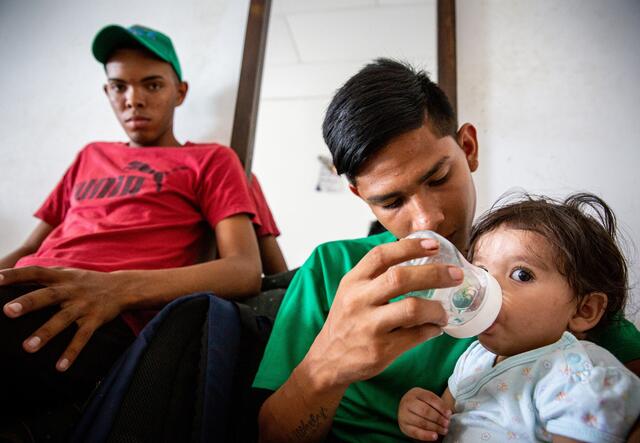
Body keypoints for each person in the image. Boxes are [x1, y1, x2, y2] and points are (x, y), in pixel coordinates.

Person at [252, 58, 640, 443]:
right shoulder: (330, 270)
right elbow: (270, 435)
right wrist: (327, 366)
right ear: (361, 197)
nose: (426, 220)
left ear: (468, 147)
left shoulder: (545, 261)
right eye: (391, 202)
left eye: (438, 178)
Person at [0, 24, 282, 440]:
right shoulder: (90, 155)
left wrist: (115, 289)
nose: (134, 99)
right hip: (30, 284)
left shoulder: (212, 160)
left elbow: (245, 270)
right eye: (119, 87)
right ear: (107, 93)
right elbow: (29, 246)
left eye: (152, 85)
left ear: (179, 92)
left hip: (100, 311)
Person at [397, 193, 640, 442]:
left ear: (583, 310)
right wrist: (422, 414)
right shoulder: (475, 357)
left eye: (521, 275)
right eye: (481, 270)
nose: (485, 286)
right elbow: (441, 422)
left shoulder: (576, 374)